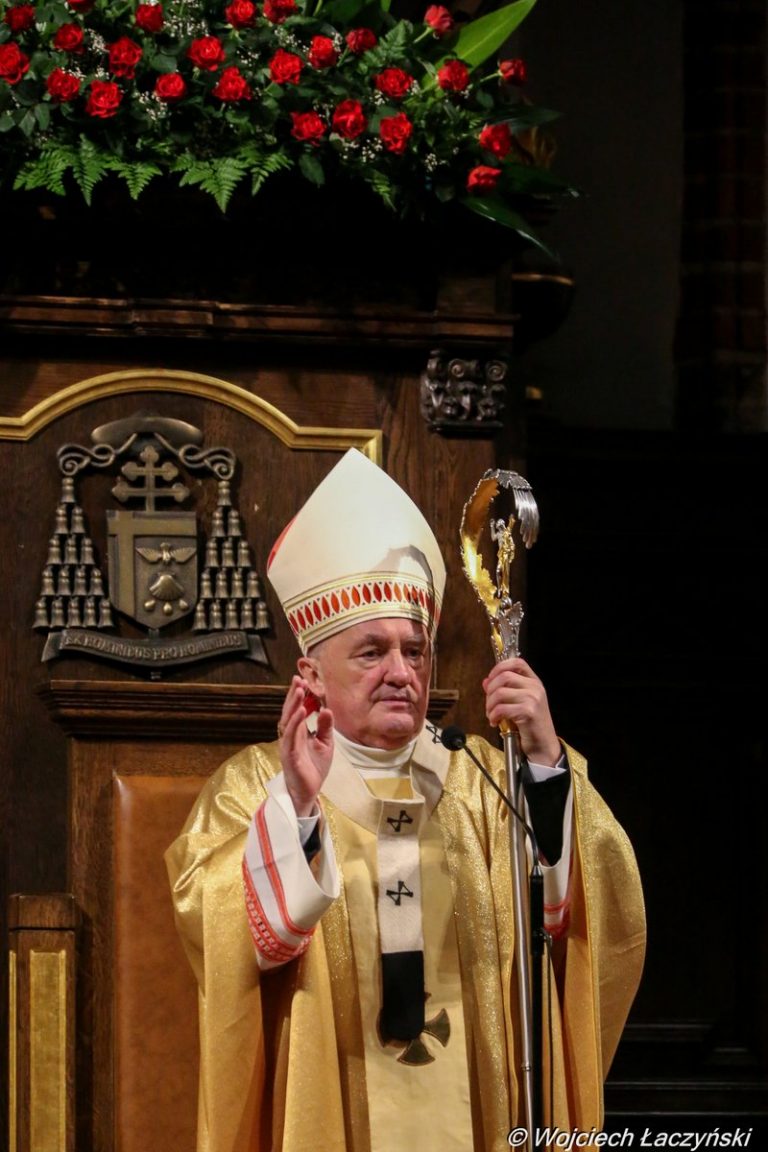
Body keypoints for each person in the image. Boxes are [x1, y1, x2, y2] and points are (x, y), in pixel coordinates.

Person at [166, 449, 645, 1152]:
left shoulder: (482, 778)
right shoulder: (253, 788)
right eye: (372, 652)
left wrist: (545, 762)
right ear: (311, 675)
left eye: (414, 652)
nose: (401, 672)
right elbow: (229, 944)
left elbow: (573, 912)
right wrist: (298, 807)